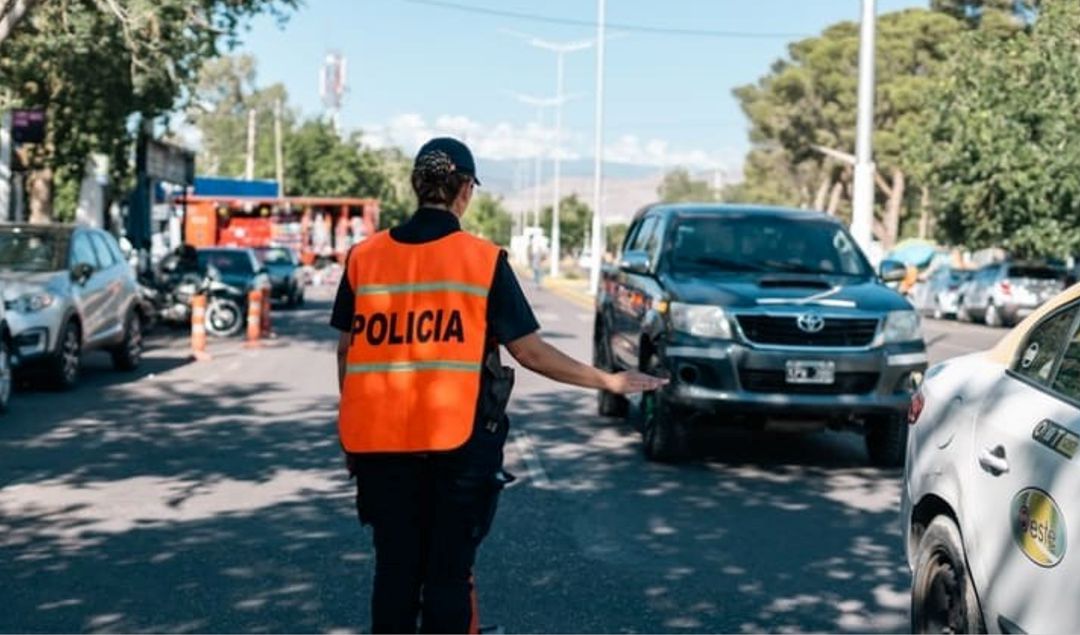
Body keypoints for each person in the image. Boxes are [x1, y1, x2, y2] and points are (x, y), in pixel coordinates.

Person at [330, 137, 665, 634]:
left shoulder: (365, 258)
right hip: (457, 448)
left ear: (415, 185)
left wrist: (355, 429)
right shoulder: (482, 261)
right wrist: (608, 381)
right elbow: (528, 352)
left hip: (381, 449)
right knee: (447, 577)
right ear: (465, 190)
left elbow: (346, 352)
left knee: (395, 574)